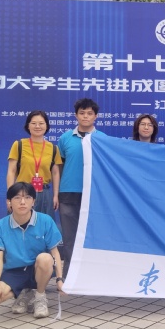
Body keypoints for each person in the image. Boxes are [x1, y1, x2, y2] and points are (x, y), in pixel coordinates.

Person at [0, 182, 64, 319]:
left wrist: (59, 279)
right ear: (9, 202)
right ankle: (25, 292)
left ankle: (40, 296)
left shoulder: (45, 221)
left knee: (45, 258)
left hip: (37, 269)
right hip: (15, 270)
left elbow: (55, 253)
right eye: (17, 198)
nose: (22, 202)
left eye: (27, 197)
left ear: (33, 201)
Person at [57, 98, 105, 279]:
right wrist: (56, 193)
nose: (85, 116)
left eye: (90, 113)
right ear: (76, 115)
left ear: (96, 116)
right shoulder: (65, 138)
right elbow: (59, 167)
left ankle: (91, 276)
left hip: (94, 195)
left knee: (93, 237)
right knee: (70, 238)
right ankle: (69, 277)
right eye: (82, 113)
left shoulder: (102, 139)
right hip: (68, 193)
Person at [6, 110, 63, 219]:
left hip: (44, 193)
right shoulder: (19, 145)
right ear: (28, 126)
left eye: (41, 123)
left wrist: (55, 195)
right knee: (19, 225)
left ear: (47, 126)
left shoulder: (53, 148)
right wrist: (10, 196)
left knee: (44, 225)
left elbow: (55, 173)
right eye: (33, 123)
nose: (37, 126)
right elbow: (11, 171)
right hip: (22, 192)